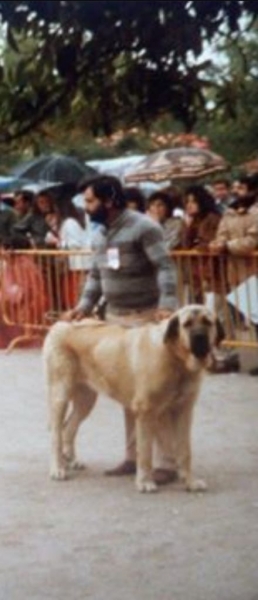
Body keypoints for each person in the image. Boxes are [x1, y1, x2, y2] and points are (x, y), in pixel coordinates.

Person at [63, 174, 179, 484]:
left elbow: (165, 267)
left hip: (147, 320)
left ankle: (167, 463)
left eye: (90, 200)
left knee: (158, 395)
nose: (85, 207)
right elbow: (96, 277)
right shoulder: (100, 234)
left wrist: (167, 305)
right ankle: (134, 458)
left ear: (110, 200)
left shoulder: (144, 227)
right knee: (131, 396)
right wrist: (83, 307)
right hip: (115, 320)